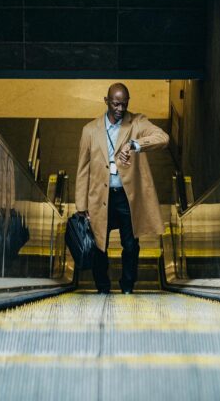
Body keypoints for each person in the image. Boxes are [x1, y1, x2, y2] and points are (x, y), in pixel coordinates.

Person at [75, 83, 169, 294]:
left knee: (131, 245)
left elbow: (163, 138)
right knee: (99, 245)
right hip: (99, 197)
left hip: (127, 197)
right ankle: (103, 288)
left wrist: (135, 145)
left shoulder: (136, 122)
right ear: (106, 101)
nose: (120, 109)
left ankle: (127, 286)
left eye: (124, 105)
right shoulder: (90, 130)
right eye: (116, 104)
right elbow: (83, 169)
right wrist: (81, 205)